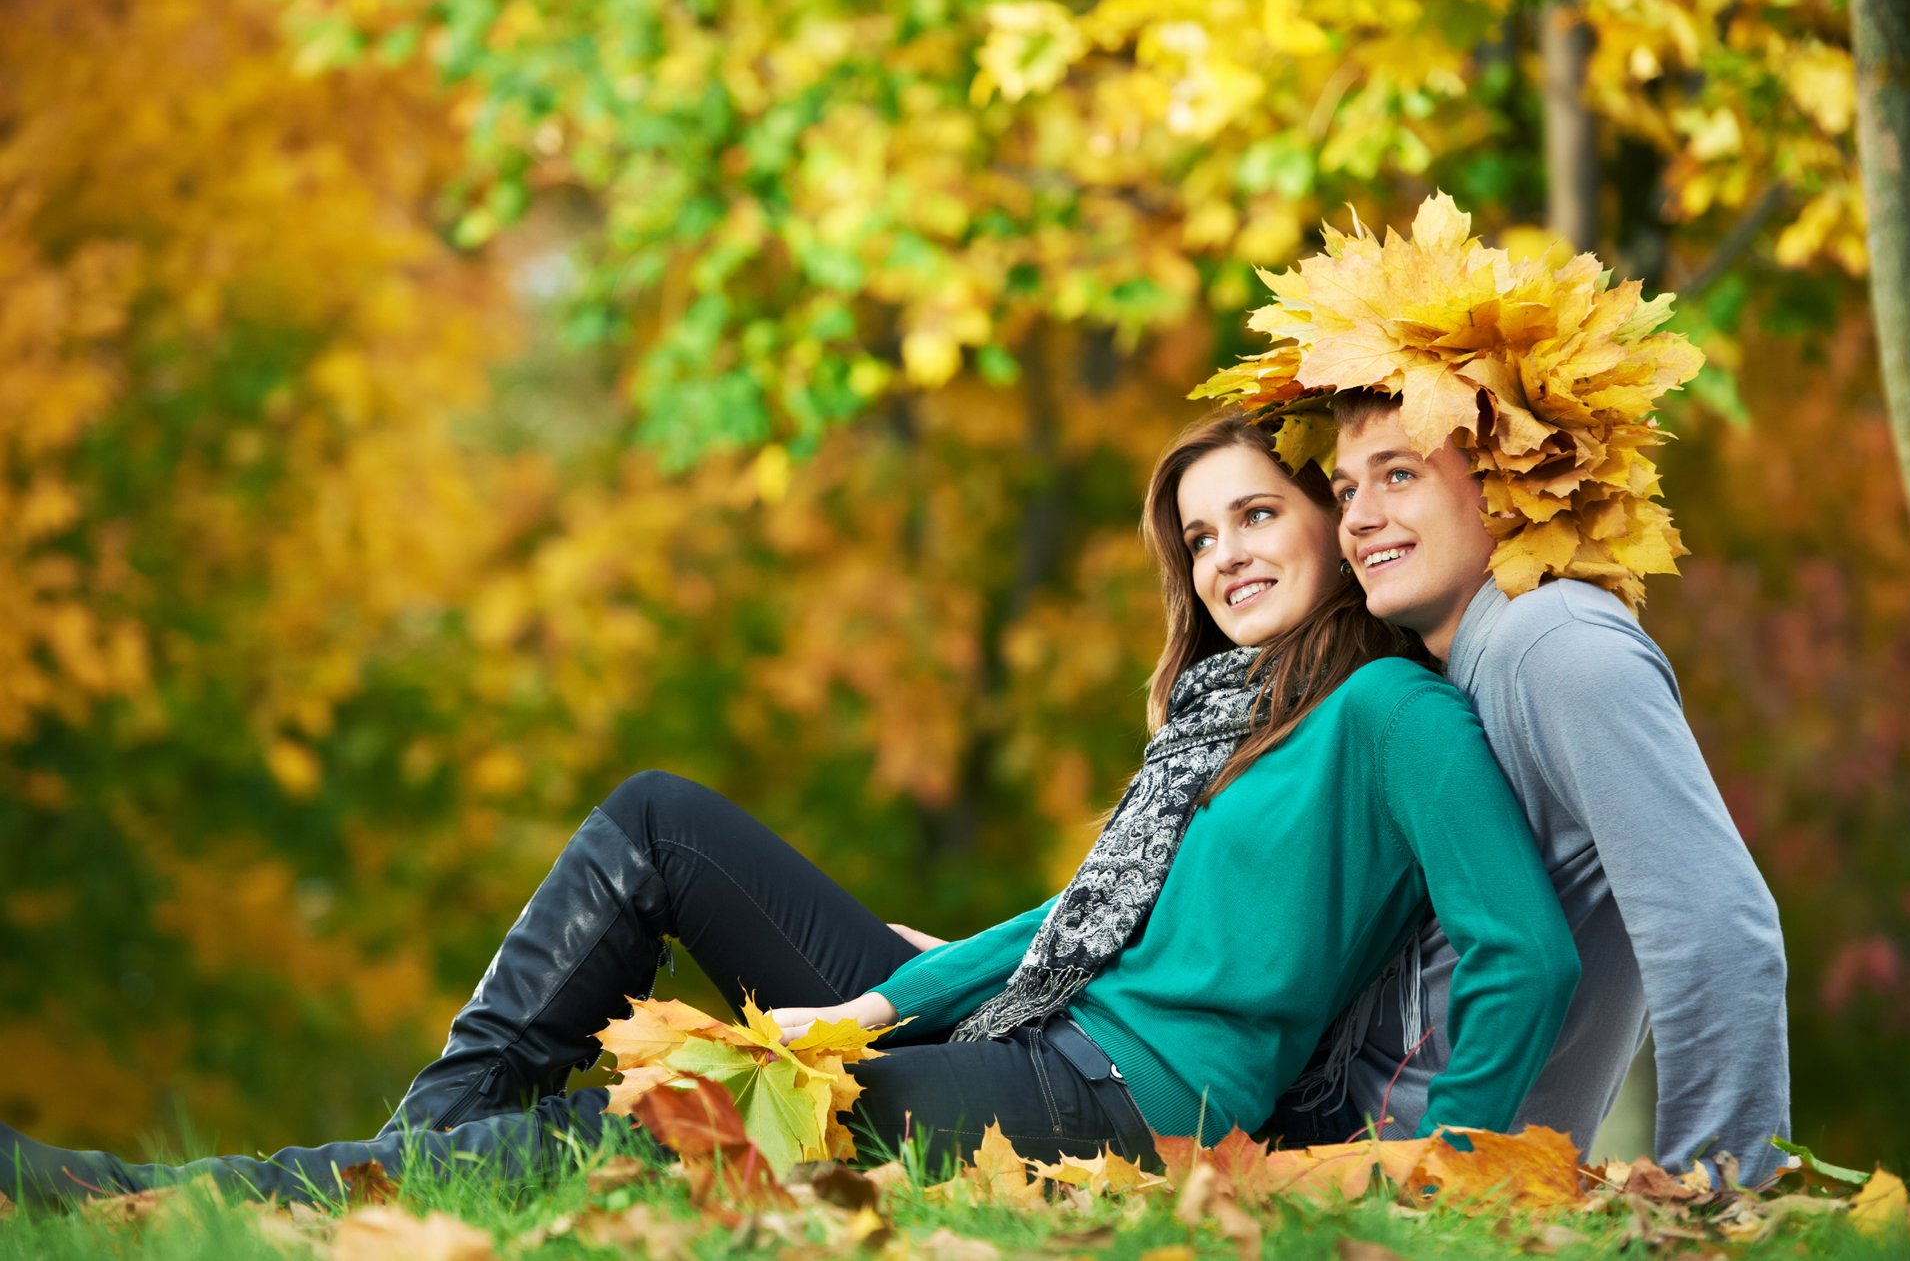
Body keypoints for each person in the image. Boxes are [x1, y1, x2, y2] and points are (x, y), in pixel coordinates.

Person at [1, 414, 1581, 1209]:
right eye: (1200, 531)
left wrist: (1435, 1176)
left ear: (1333, 520)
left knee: (665, 1120)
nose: (1229, 550)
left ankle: (199, 1197)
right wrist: (884, 993)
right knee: (658, 820)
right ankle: (413, 1163)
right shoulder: (1232, 716)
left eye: (1261, 512)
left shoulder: (1384, 711)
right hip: (1042, 1026)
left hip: (1120, 1100)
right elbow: (1088, 916)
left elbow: (1528, 951)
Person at [1196, 193, 1790, 1182]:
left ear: (1510, 476)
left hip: (1399, 1174)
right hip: (1294, 1126)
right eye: (1347, 489)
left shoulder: (1557, 644)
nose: (1359, 519)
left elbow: (1719, 934)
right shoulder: (1448, 671)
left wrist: (1721, 1206)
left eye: (1400, 475)